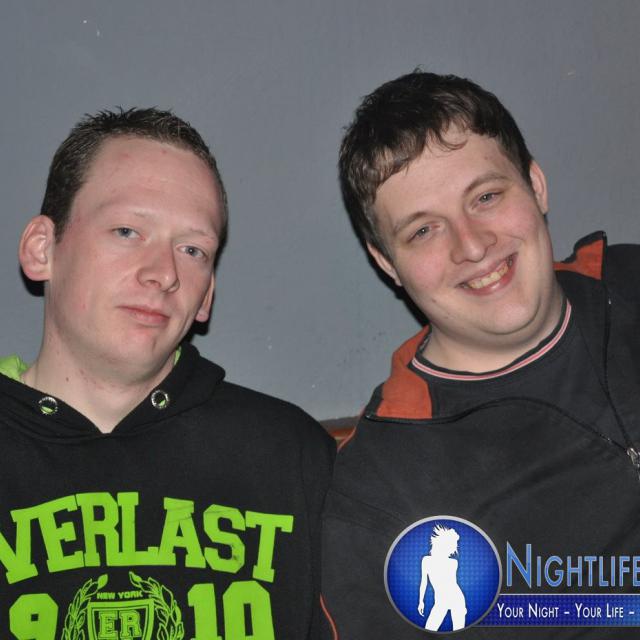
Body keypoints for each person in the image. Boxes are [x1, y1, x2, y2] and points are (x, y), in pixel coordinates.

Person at [322, 71, 640, 638]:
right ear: (387, 263)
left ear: (535, 185)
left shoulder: (631, 282)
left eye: (486, 197)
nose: (472, 245)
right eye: (424, 230)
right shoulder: (380, 495)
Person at [0, 107, 335, 639]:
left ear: (206, 296)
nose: (164, 273)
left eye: (192, 249)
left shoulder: (289, 455)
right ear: (43, 249)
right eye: (127, 230)